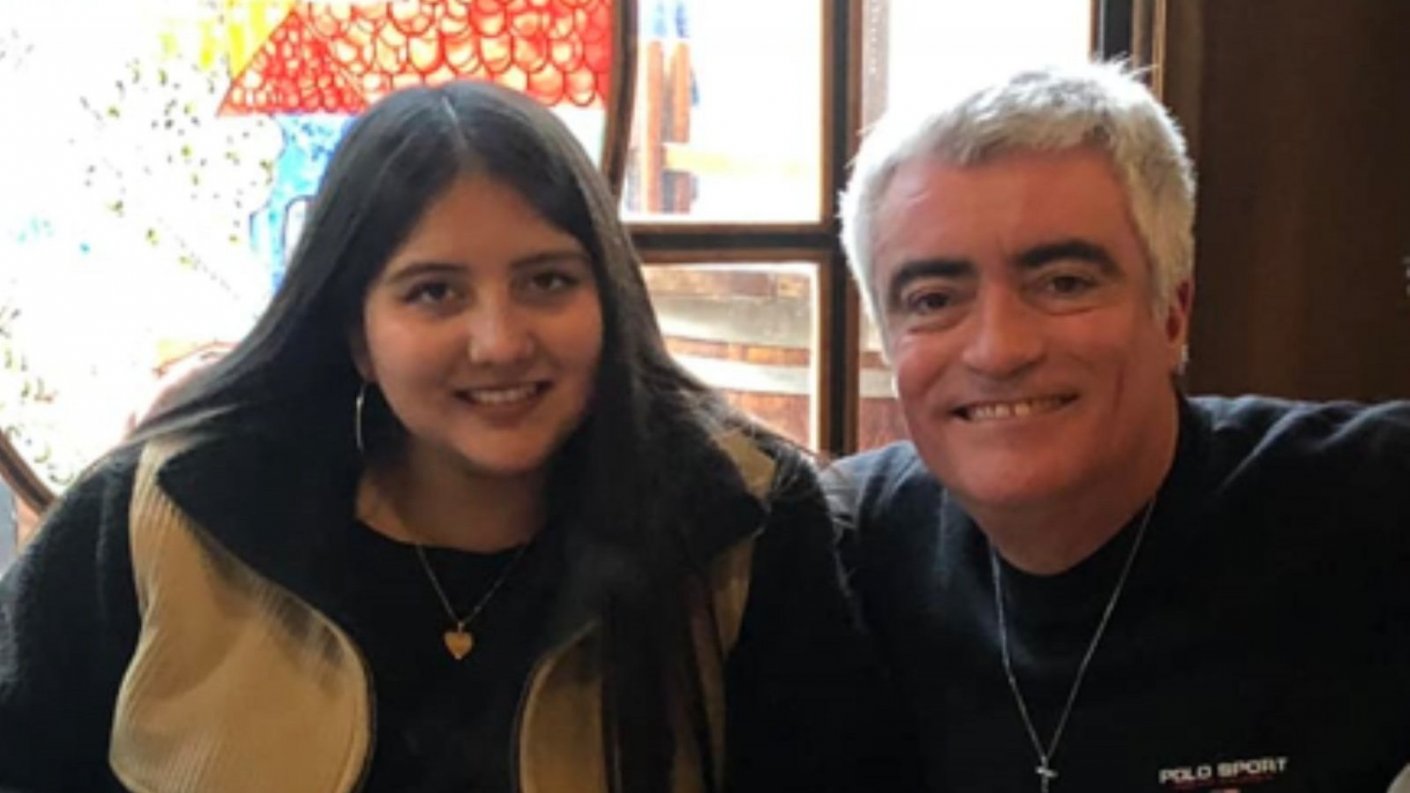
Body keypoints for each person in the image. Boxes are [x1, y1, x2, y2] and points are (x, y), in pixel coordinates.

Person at [0, 80, 906, 793]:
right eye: (434, 291)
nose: (500, 340)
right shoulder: (168, 514)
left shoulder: (739, 523)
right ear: (357, 332)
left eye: (548, 281)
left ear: (610, 297)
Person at [828, 61, 1410, 792]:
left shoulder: (1368, 503)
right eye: (934, 298)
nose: (999, 350)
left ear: (1172, 314)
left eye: (1063, 282)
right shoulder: (836, 553)